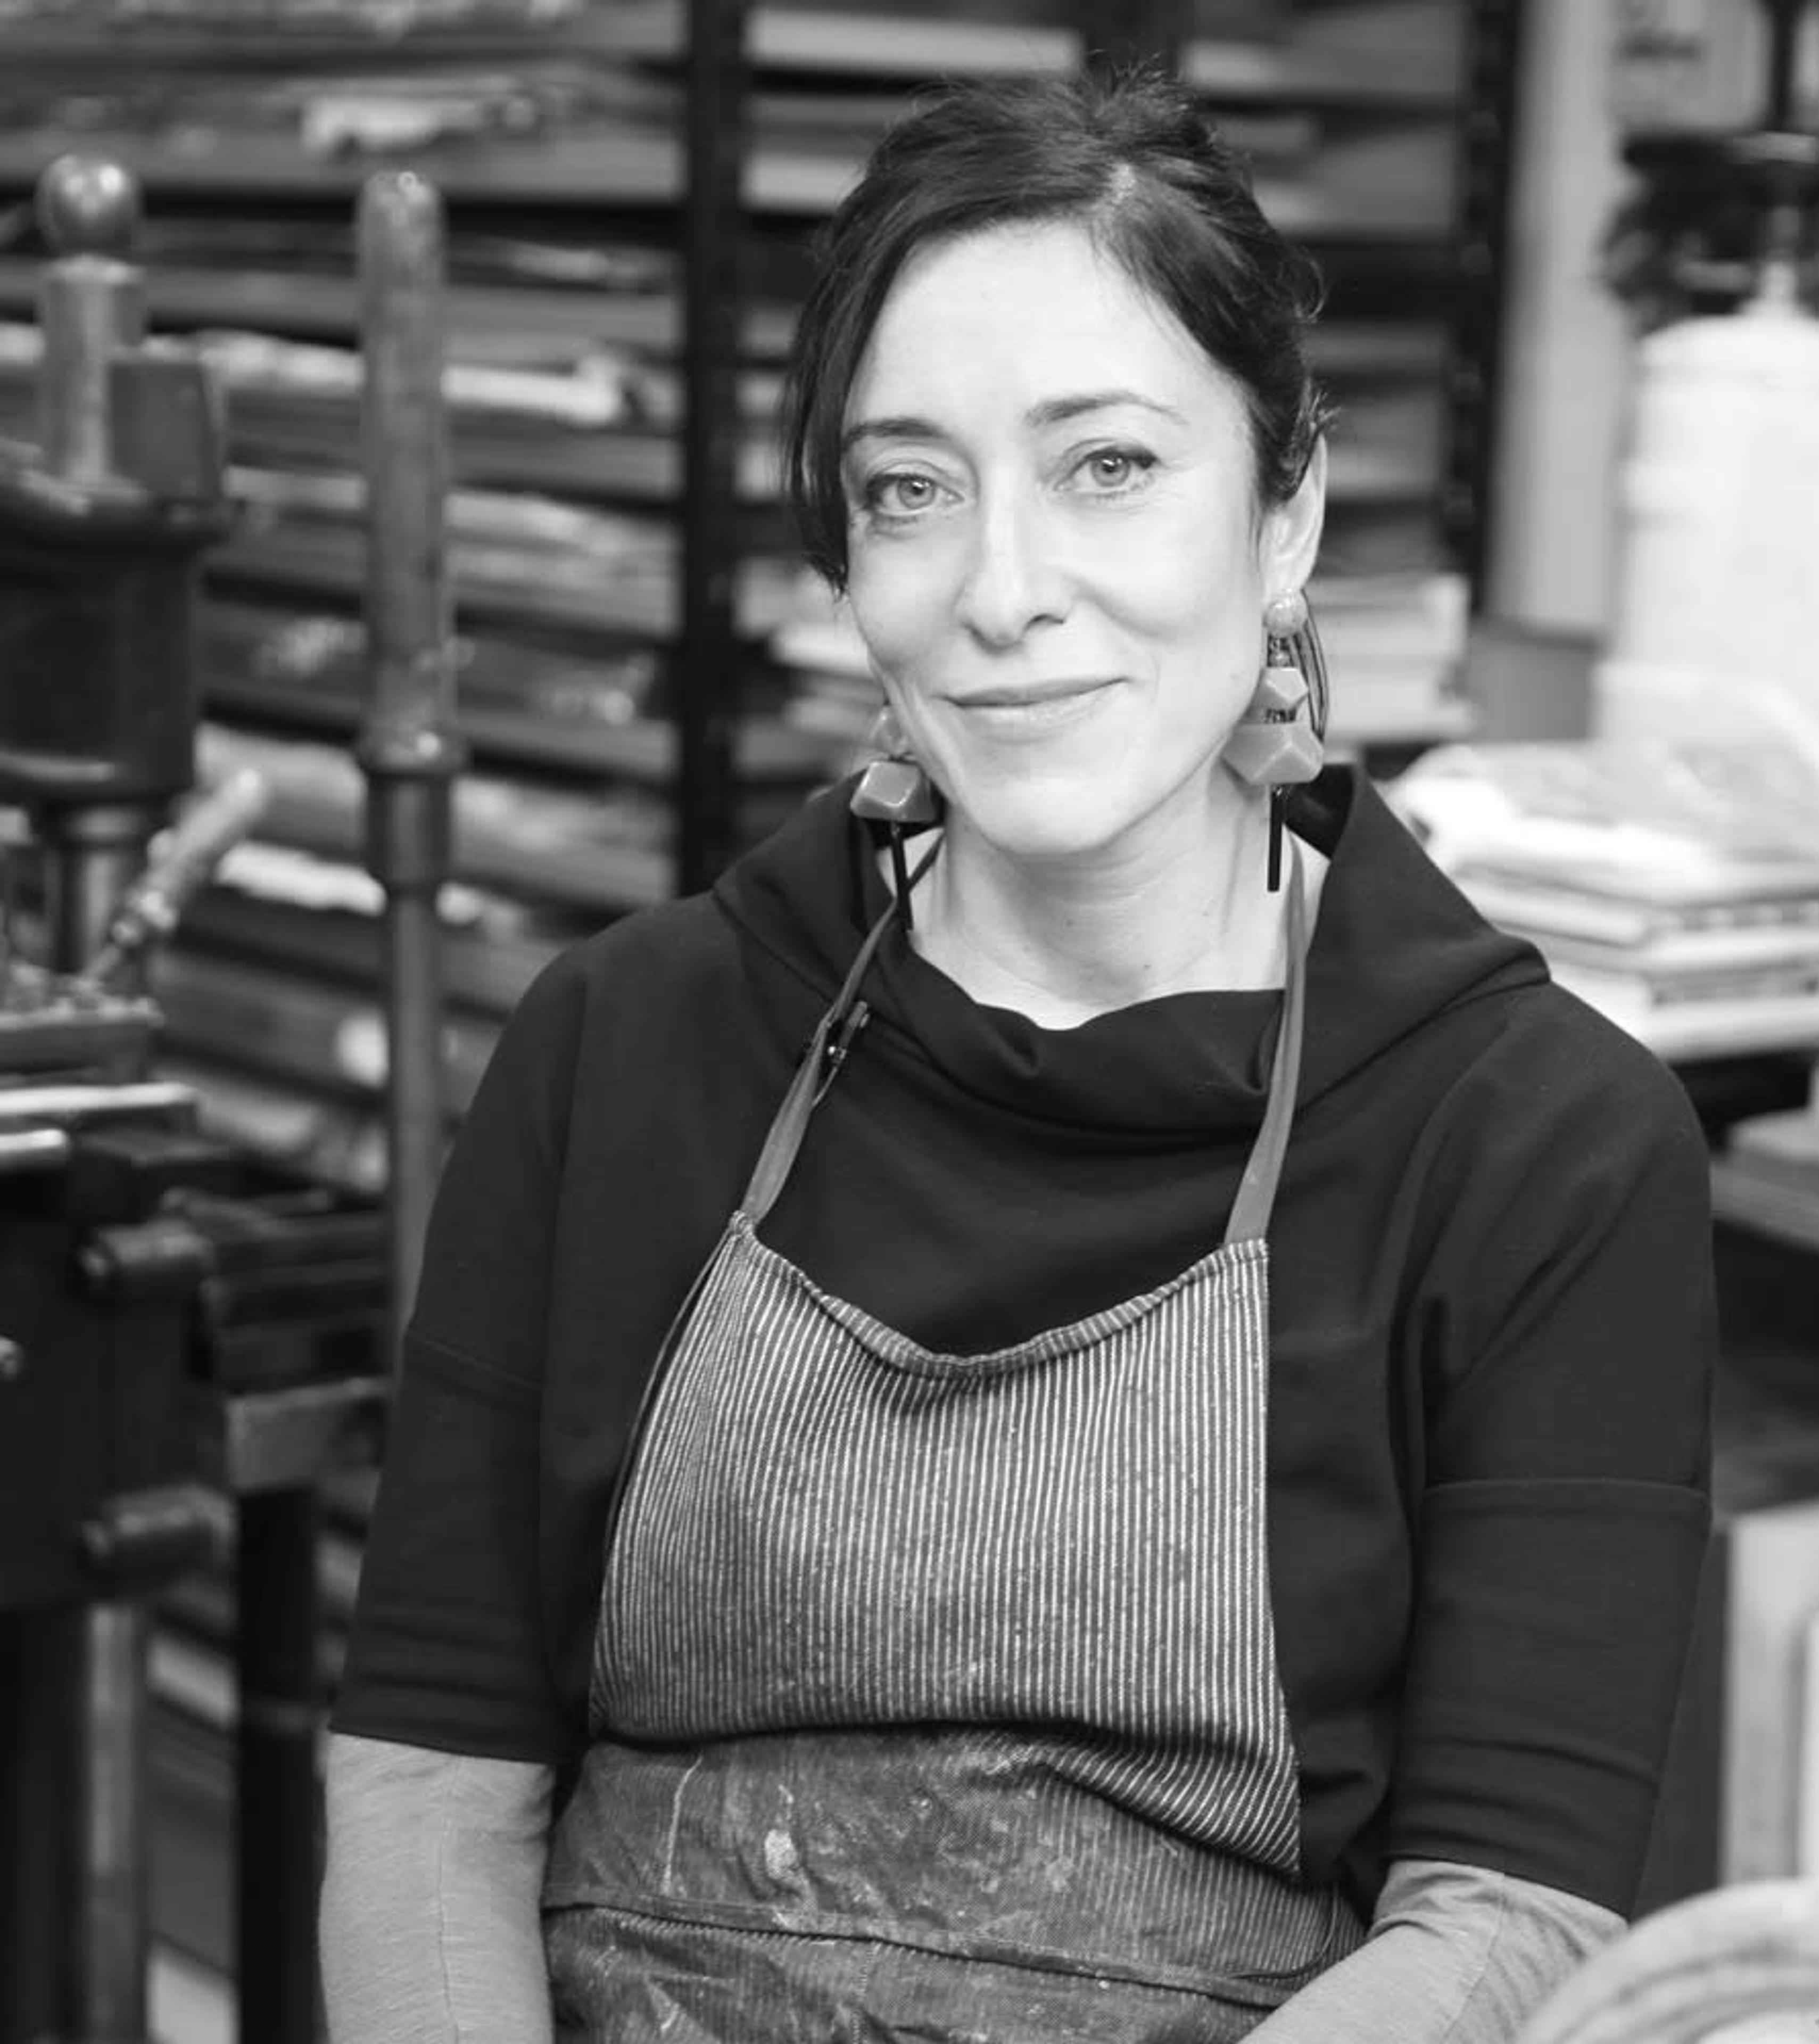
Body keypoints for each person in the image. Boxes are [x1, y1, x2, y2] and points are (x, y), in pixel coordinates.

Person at [319, 63, 1717, 2044]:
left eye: (1108, 466)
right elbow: (432, 1782)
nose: (1000, 592)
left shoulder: (1536, 1144)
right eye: (911, 489)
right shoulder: (624, 1042)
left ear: (1290, 510)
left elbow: (1507, 1922)